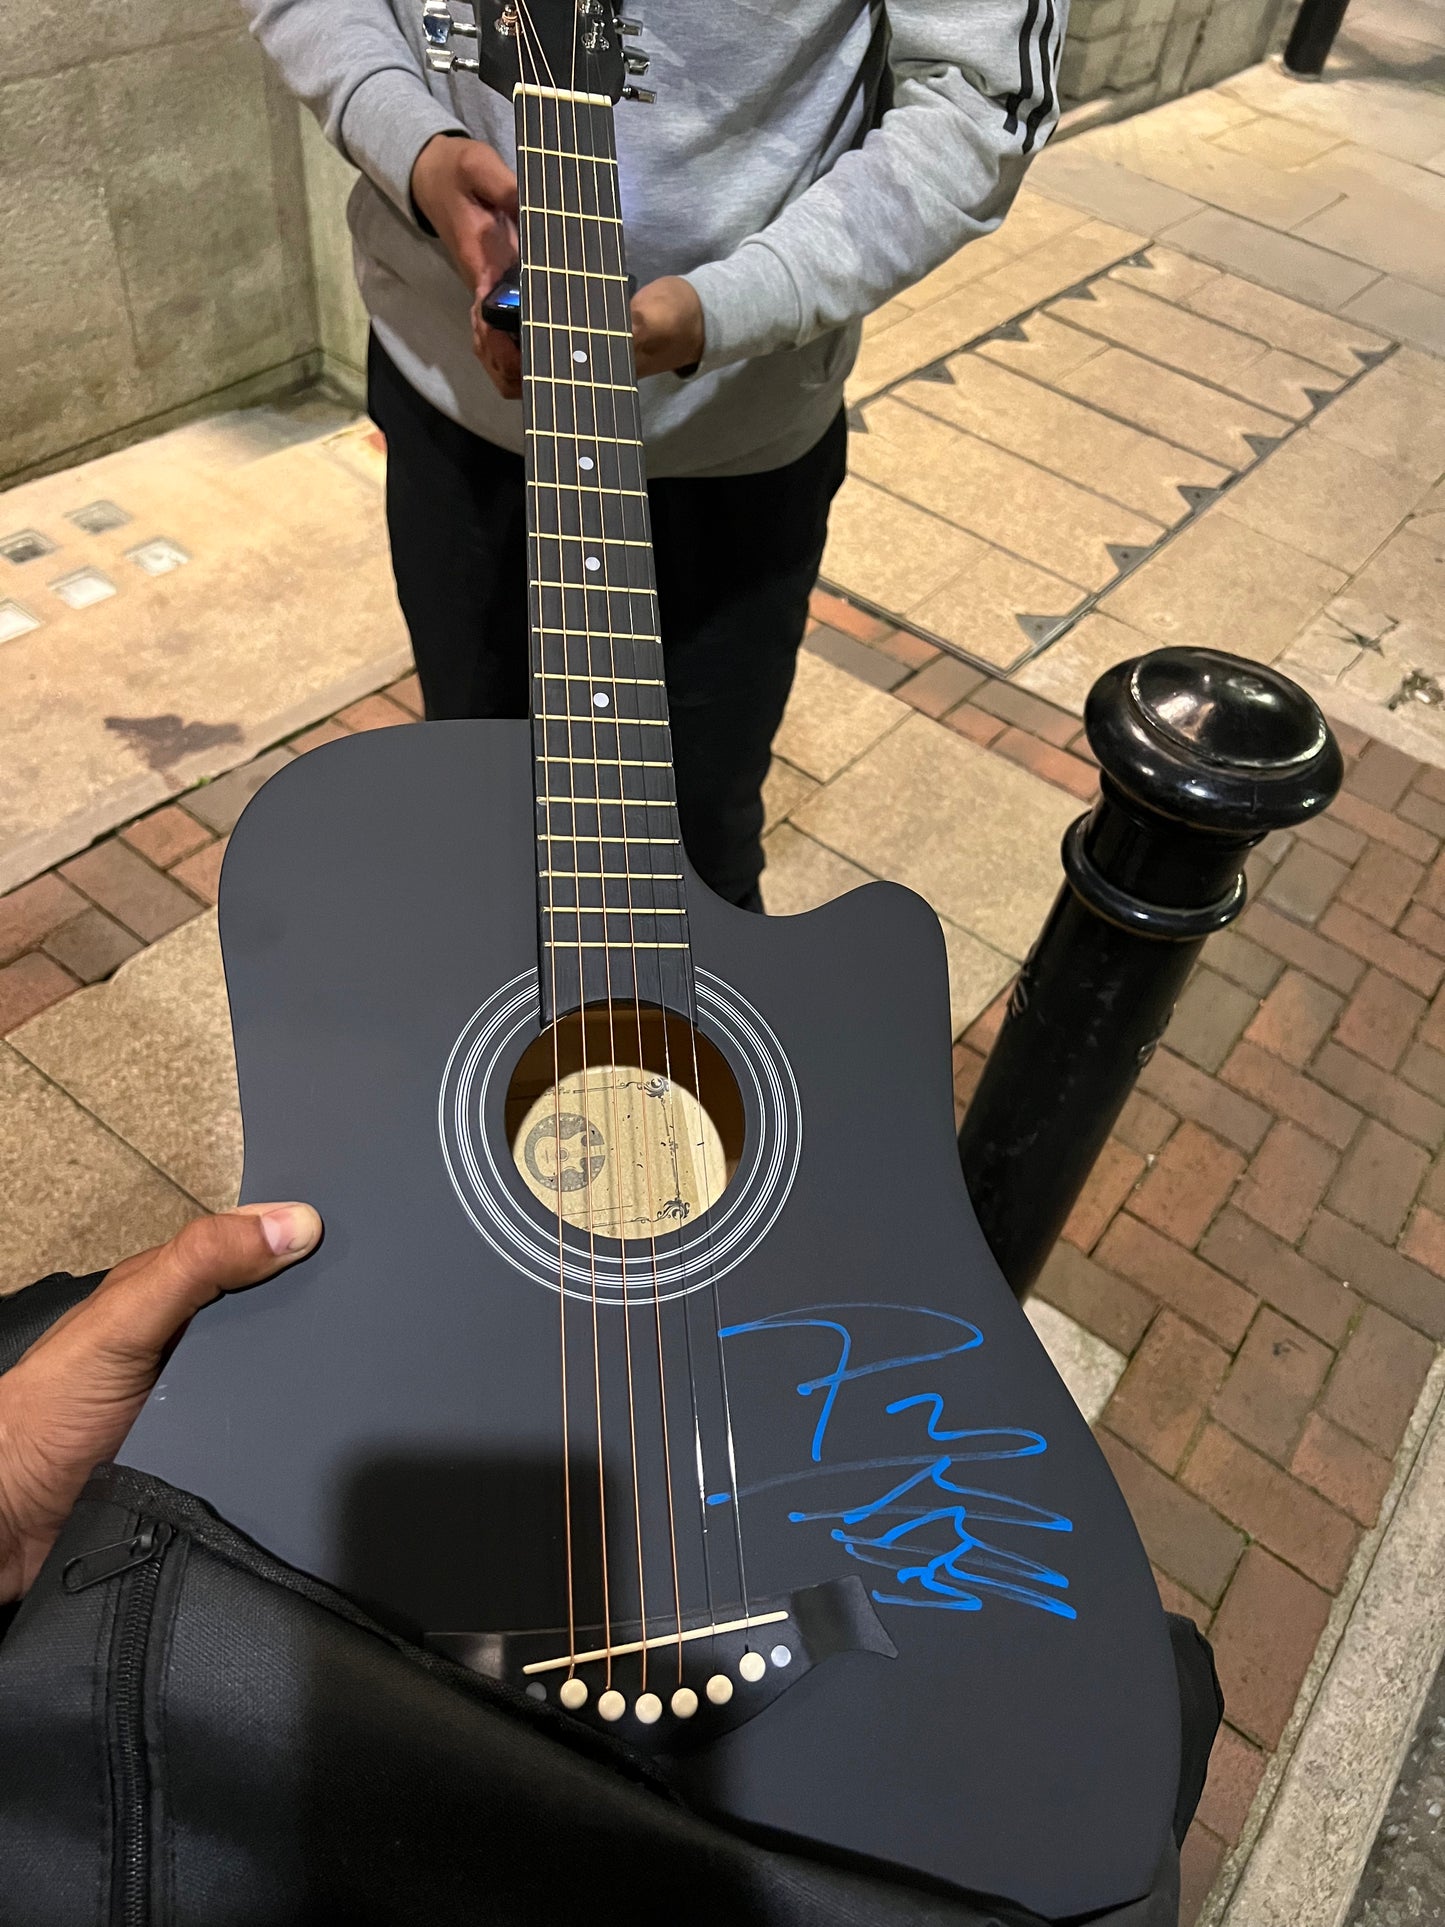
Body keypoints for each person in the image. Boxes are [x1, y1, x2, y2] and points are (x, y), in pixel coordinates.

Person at [242, 0, 1066, 910]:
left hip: (725, 443)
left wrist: (734, 304)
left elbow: (976, 104)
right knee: (479, 806)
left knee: (693, 854)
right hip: (453, 395)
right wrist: (410, 141)